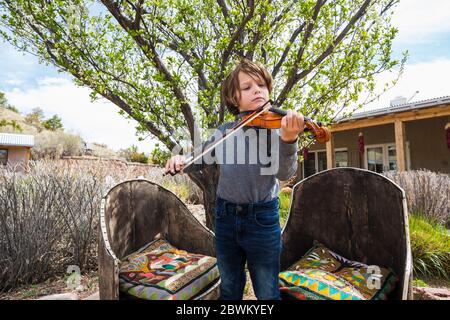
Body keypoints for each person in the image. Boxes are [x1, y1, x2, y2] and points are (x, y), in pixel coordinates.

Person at [164, 58, 304, 300]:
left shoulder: (276, 129)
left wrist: (289, 139)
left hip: (262, 220)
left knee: (267, 291)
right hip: (226, 218)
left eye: (261, 85)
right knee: (229, 288)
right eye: (247, 87)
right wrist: (180, 161)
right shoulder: (225, 131)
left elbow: (284, 173)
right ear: (233, 98)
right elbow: (199, 158)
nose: (257, 90)